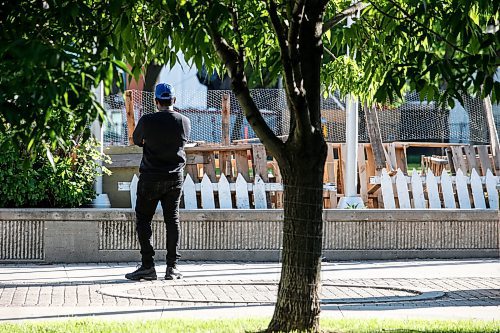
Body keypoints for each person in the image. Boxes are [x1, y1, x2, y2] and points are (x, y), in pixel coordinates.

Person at [125, 83, 191, 281]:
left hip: (150, 177)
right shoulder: (184, 121)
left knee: (144, 220)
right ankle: (172, 268)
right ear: (174, 101)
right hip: (174, 178)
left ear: (155, 101)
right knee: (172, 219)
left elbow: (137, 140)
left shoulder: (147, 120)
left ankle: (147, 266)